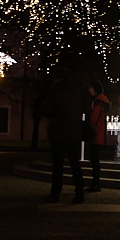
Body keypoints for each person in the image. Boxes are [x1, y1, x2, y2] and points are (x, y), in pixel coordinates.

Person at [41, 70, 85, 203]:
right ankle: (79, 193)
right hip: (73, 132)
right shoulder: (77, 92)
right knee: (75, 164)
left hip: (58, 132)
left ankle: (55, 193)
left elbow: (48, 110)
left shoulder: (55, 91)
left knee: (57, 166)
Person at [86, 79, 110, 192]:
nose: (89, 90)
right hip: (99, 133)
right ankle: (96, 183)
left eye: (90, 88)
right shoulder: (102, 100)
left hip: (95, 133)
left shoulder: (98, 100)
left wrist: (89, 126)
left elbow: (94, 117)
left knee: (94, 160)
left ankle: (95, 184)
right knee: (95, 160)